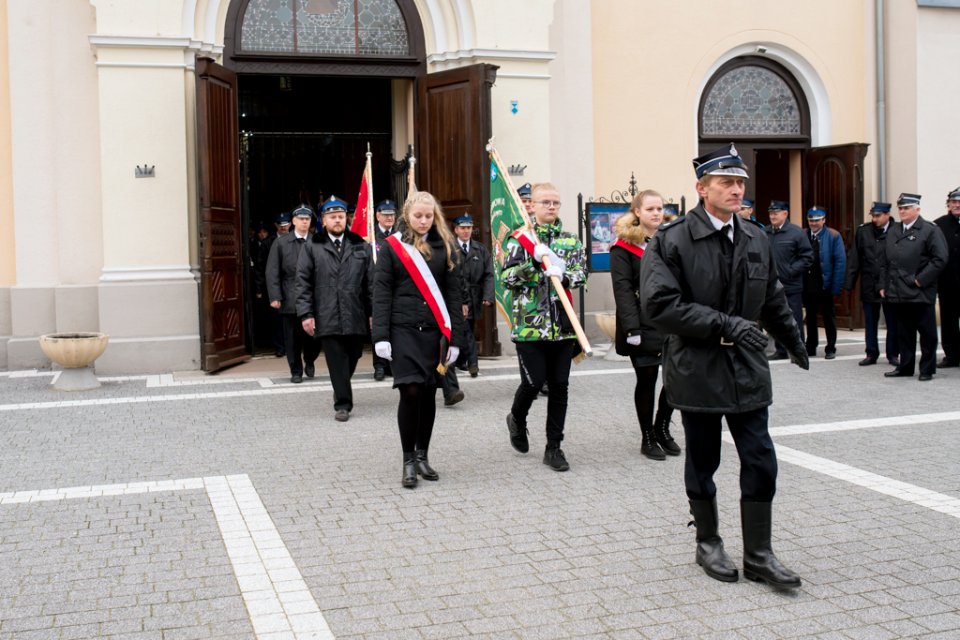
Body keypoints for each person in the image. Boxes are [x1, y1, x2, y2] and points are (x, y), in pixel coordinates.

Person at [639, 142, 808, 589]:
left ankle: (759, 554)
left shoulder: (754, 236)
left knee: (761, 459)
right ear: (701, 188)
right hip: (698, 367)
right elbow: (659, 306)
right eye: (726, 183)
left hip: (747, 367)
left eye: (740, 183)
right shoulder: (671, 239)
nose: (737, 190)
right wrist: (727, 324)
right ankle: (708, 542)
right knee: (703, 460)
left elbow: (771, 294)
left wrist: (793, 339)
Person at [372, 191, 464, 488]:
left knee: (428, 392)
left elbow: (453, 294)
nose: (423, 221)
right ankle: (408, 460)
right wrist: (381, 337)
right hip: (403, 330)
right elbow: (382, 292)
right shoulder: (392, 248)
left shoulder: (445, 246)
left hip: (435, 331)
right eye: (418, 216)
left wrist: (456, 339)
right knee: (410, 391)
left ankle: (423, 455)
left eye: (428, 216)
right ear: (407, 216)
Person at [501, 182, 587, 472]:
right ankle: (517, 418)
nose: (551, 207)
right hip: (529, 327)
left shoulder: (569, 241)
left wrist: (562, 274)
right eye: (545, 202)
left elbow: (581, 274)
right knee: (534, 382)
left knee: (560, 387)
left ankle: (554, 447)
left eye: (555, 203)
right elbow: (507, 279)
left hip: (562, 326)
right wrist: (533, 264)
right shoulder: (518, 240)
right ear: (532, 206)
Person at [610, 189, 679, 461]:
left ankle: (662, 427)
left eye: (660, 208)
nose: (656, 213)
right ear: (637, 212)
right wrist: (631, 328)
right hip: (642, 322)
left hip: (672, 320)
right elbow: (623, 289)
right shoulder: (623, 246)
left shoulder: (672, 240)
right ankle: (647, 436)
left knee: (674, 379)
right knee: (647, 379)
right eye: (650, 209)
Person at [297, 196, 372, 422]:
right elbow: (303, 282)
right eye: (332, 217)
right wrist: (306, 314)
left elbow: (371, 282)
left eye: (340, 216)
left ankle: (340, 385)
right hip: (326, 312)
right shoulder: (312, 246)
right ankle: (343, 404)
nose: (337, 221)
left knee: (354, 353)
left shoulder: (361, 245)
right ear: (324, 220)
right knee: (336, 358)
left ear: (346, 218)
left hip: (355, 312)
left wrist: (373, 313)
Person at [880, 193, 948, 381]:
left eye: (906, 208)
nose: (902, 211)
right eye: (900, 208)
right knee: (904, 332)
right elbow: (886, 260)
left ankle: (927, 368)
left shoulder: (930, 230)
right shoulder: (894, 230)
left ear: (917, 209)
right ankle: (906, 366)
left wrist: (920, 280)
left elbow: (940, 258)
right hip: (898, 291)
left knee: (927, 333)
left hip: (919, 291)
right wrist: (883, 284)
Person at [266, 205, 318, 383]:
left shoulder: (317, 241)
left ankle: (310, 359)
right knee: (292, 338)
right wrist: (275, 296)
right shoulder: (281, 243)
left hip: (313, 297)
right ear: (293, 221)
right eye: (301, 219)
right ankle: (296, 370)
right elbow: (272, 271)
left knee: (314, 336)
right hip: (290, 296)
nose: (304, 222)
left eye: (307, 219)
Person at [845, 202, 900, 366]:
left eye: (878, 216)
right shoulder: (863, 231)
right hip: (869, 282)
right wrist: (849, 283)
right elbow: (855, 257)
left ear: (887, 215)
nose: (875, 219)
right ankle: (871, 353)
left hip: (890, 283)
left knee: (892, 321)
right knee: (870, 321)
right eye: (873, 216)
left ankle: (893, 354)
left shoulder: (897, 230)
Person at [765, 200, 813, 360]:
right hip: (772, 285)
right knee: (777, 318)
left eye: (776, 213)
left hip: (791, 284)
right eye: (771, 213)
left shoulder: (796, 233)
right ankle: (780, 350)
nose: (772, 216)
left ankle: (797, 350)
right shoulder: (766, 232)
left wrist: (791, 270)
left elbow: (807, 257)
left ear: (785, 214)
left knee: (794, 319)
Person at [453, 213, 495, 377]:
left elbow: (489, 274)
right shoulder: (449, 247)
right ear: (456, 230)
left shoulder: (480, 249)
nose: (466, 231)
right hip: (456, 296)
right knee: (465, 329)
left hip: (474, 295)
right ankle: (473, 363)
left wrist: (488, 295)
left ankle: (461, 360)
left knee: (468, 327)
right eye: (463, 228)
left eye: (469, 228)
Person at [802, 206, 845, 359]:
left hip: (825, 283)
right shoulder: (803, 234)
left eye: (817, 220)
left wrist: (836, 286)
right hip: (808, 284)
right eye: (811, 220)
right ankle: (811, 346)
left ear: (824, 220)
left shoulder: (833, 235)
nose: (813, 223)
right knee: (811, 317)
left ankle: (831, 347)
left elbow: (840, 262)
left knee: (828, 316)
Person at [372, 199, 398, 381]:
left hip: (396, 288)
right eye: (385, 214)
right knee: (378, 327)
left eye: (392, 214)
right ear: (377, 216)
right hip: (377, 288)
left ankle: (392, 364)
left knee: (395, 328)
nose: (389, 217)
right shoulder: (369, 236)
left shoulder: (400, 236)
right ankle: (379, 366)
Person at [934, 188, 960, 368]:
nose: (957, 205)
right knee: (948, 320)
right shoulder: (938, 225)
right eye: (953, 202)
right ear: (948, 205)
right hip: (947, 282)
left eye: (959, 203)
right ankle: (951, 355)